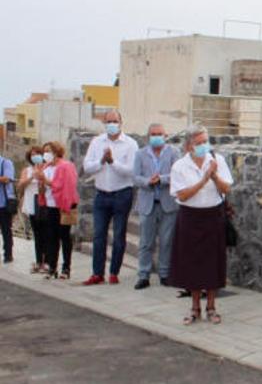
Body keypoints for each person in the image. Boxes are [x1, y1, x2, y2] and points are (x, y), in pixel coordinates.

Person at [168, 125, 233, 325]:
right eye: (199, 143)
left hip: (213, 215)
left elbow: (226, 188)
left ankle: (212, 307)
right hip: (190, 217)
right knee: (192, 263)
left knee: (212, 263)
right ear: (189, 146)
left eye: (206, 141)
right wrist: (204, 179)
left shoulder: (217, 161)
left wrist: (214, 176)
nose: (204, 146)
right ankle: (195, 307)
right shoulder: (180, 166)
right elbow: (182, 195)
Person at [81, 110, 138, 285]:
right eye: (108, 121)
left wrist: (112, 162)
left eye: (115, 121)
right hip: (101, 194)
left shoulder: (130, 144)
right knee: (99, 235)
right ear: (104, 123)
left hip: (122, 193)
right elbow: (87, 167)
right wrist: (101, 161)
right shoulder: (97, 142)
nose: (111, 125)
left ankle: (114, 272)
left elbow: (131, 170)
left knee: (119, 235)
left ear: (121, 122)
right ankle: (97, 273)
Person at [132, 123, 181, 290]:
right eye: (153, 134)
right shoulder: (140, 154)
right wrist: (148, 182)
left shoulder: (174, 152)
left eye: (159, 133)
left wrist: (161, 179)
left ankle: (165, 273)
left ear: (165, 135)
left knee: (166, 241)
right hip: (148, 203)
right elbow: (135, 177)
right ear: (148, 136)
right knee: (146, 242)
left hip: (168, 203)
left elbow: (177, 174)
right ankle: (143, 275)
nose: (156, 136)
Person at [34, 142, 79, 280]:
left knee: (64, 237)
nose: (46, 154)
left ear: (56, 151)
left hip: (63, 206)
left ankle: (66, 268)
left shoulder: (66, 166)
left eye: (49, 151)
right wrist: (40, 182)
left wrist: (45, 180)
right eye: (44, 151)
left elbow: (59, 185)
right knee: (51, 238)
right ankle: (52, 267)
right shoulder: (46, 167)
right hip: (50, 206)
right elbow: (43, 189)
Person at [19, 147, 45, 272]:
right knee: (37, 233)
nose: (35, 156)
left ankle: (47, 260)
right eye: (32, 155)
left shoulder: (46, 168)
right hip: (31, 203)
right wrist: (31, 177)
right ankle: (39, 260)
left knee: (45, 233)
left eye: (37, 154)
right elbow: (21, 184)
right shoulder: (27, 170)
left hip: (44, 203)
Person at [0, 150, 16, 262]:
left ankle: (8, 254)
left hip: (4, 203)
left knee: (6, 229)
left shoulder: (5, 163)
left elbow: (7, 178)